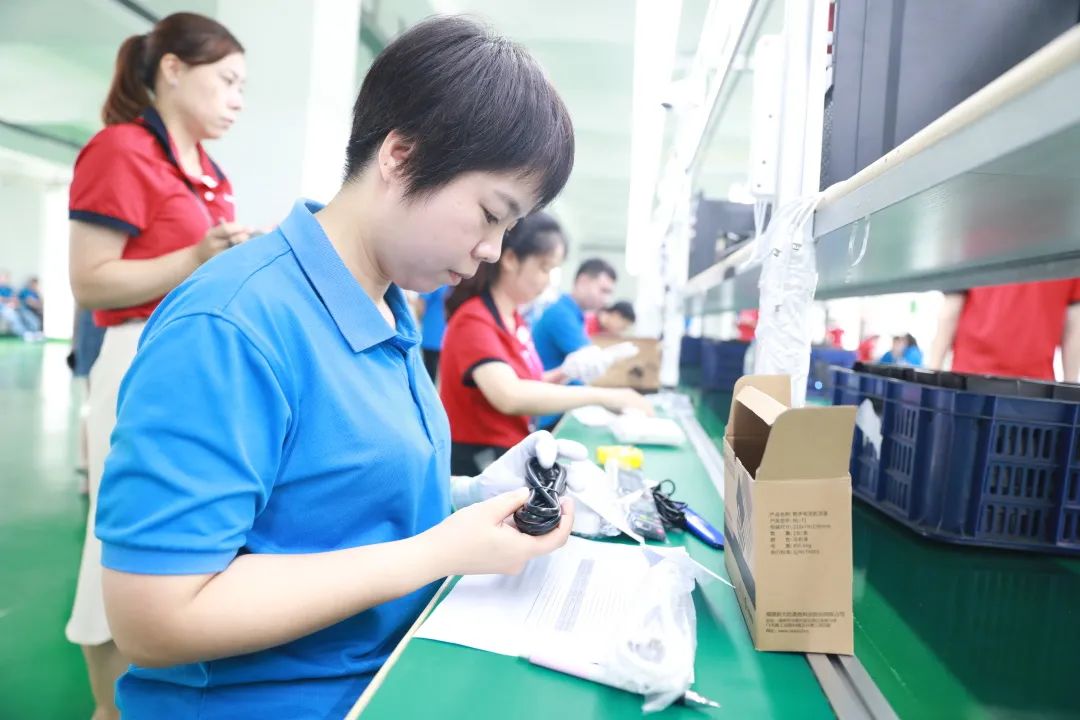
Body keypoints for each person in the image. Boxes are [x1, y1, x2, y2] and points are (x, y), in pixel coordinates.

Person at [94, 17, 581, 718]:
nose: (491, 251)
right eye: (489, 213)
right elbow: (154, 617)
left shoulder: (387, 308)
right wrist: (436, 552)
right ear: (401, 156)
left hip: (383, 675)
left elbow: (326, 502)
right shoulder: (233, 324)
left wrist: (471, 499)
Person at [65, 14, 252, 720]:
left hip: (194, 363)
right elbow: (91, 282)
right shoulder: (120, 150)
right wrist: (198, 256)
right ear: (173, 69)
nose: (237, 100)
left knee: (182, 529)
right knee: (120, 534)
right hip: (135, 358)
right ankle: (108, 707)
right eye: (227, 81)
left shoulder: (212, 174)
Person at [440, 213, 653, 476]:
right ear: (510, 259)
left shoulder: (515, 321)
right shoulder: (474, 320)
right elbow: (510, 395)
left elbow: (524, 381)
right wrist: (607, 396)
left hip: (511, 450)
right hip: (481, 463)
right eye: (544, 268)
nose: (548, 280)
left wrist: (564, 373)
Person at [927, 281, 1080, 381]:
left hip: (970, 377)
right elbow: (1074, 326)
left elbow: (951, 311)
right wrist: (1070, 387)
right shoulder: (1068, 249)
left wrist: (933, 373)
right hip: (1035, 386)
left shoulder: (977, 243)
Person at [412, 284, 449, 381]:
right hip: (445, 335)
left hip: (431, 334)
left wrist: (418, 317)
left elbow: (420, 305)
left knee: (429, 375)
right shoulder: (450, 283)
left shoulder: (432, 283)